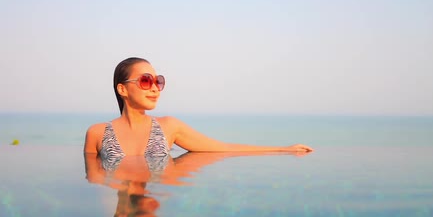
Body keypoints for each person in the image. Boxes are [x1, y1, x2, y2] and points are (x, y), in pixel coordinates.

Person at [83, 57, 313, 157]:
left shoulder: (169, 127)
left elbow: (222, 148)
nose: (155, 88)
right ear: (122, 89)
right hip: (120, 208)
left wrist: (284, 149)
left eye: (158, 81)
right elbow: (94, 183)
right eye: (145, 81)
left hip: (152, 201)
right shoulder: (97, 133)